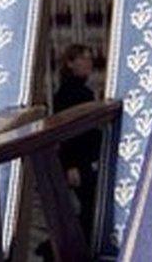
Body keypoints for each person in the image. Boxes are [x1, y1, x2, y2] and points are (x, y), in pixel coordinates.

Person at [37, 44, 103, 260]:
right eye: (83, 59)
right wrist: (72, 165)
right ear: (70, 63)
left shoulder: (80, 91)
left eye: (89, 58)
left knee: (89, 208)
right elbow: (68, 134)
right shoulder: (70, 93)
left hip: (83, 161)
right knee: (90, 208)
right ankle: (54, 249)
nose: (88, 63)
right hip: (79, 162)